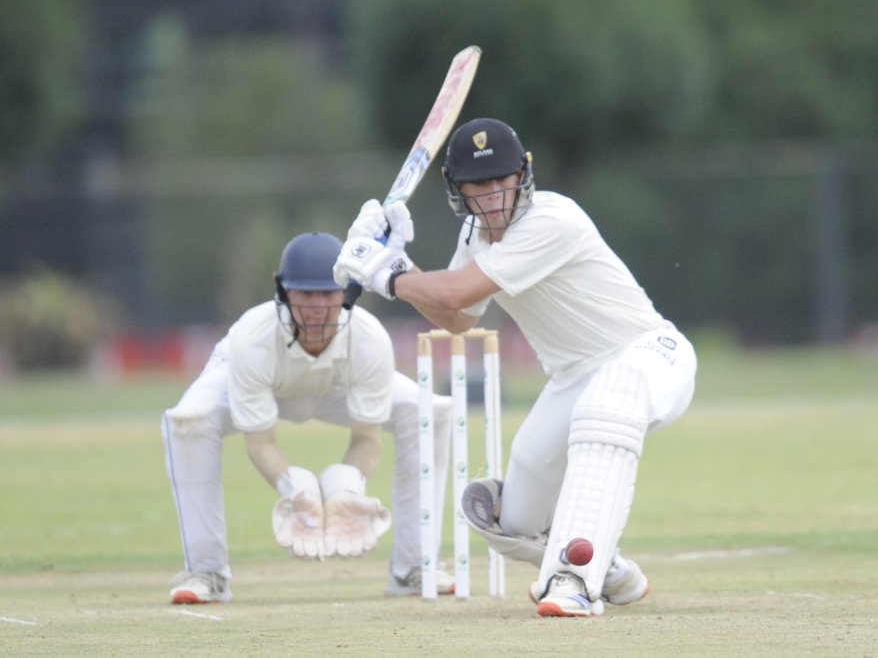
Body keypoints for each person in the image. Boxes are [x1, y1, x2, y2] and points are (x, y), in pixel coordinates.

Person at [333, 118, 698, 617]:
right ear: (457, 190)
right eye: (477, 185)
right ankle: (612, 572)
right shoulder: (475, 235)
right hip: (573, 377)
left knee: (608, 401)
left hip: (648, 354)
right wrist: (397, 263)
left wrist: (383, 271)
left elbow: (455, 292)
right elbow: (457, 318)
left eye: (500, 179)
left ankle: (573, 582)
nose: (491, 195)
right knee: (513, 520)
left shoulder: (553, 218)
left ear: (522, 174)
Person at [161, 231, 454, 604]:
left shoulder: (368, 339)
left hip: (335, 386)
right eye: (306, 293)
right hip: (255, 374)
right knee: (190, 419)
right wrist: (296, 491)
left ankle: (414, 567)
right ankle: (207, 572)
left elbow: (366, 439)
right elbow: (261, 442)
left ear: (347, 293)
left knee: (428, 411)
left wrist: (346, 488)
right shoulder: (252, 337)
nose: (317, 306)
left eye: (328, 293)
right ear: (283, 291)